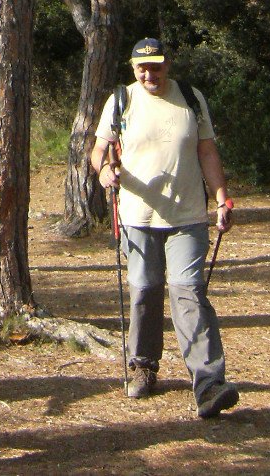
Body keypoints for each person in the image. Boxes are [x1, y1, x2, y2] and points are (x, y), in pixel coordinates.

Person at [90, 37, 238, 418]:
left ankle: (209, 383)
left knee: (187, 292)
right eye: (142, 67)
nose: (149, 73)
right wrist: (105, 170)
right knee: (144, 292)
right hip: (137, 216)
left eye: (155, 66)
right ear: (132, 67)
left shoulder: (190, 97)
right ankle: (143, 367)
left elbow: (207, 150)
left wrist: (221, 198)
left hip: (187, 216)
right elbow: (98, 150)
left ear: (167, 65)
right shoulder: (120, 100)